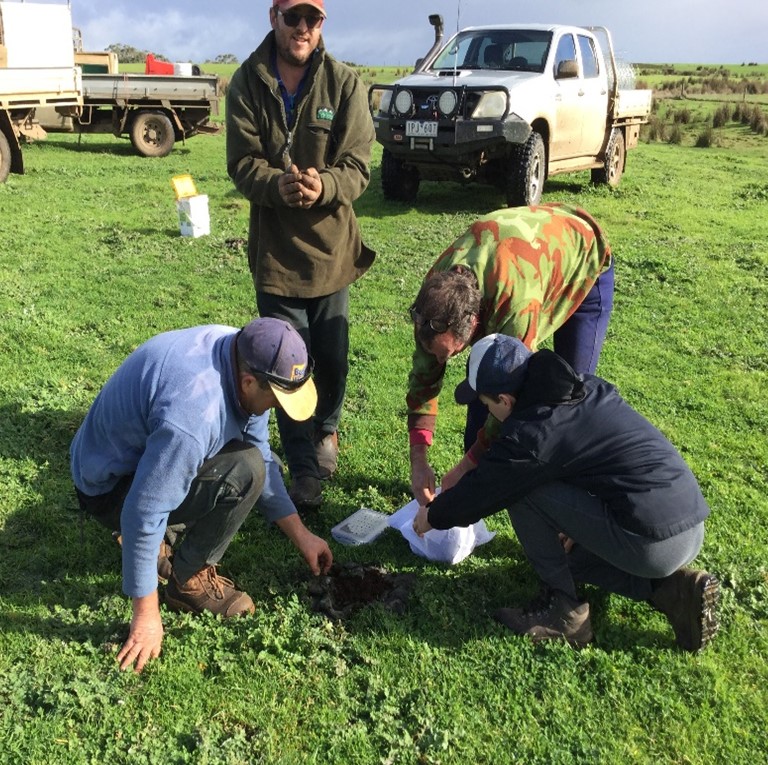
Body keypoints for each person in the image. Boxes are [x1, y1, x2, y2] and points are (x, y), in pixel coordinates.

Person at [413, 334, 719, 652]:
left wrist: (432, 516)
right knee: (569, 555)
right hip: (689, 525)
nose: (489, 413)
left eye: (488, 405)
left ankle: (564, 611)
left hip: (651, 541)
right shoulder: (581, 386)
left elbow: (485, 490)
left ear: (505, 400)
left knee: (522, 491)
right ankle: (674, 590)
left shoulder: (532, 435)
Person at [71, 318, 334, 673]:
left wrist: (302, 537)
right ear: (249, 382)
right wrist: (146, 616)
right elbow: (142, 511)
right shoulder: (193, 416)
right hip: (109, 490)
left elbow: (260, 450)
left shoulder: (238, 349)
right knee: (245, 469)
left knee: (253, 460)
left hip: (128, 460)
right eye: (276, 399)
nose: (276, 409)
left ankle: (162, 543)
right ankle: (187, 579)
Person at [226, 0, 375, 509]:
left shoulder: (344, 83)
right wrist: (277, 186)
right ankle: (304, 466)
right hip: (276, 256)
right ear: (274, 18)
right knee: (285, 364)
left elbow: (358, 165)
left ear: (322, 24)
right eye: (294, 17)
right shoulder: (247, 81)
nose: (303, 28)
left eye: (313, 19)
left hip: (333, 253)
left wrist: (325, 183)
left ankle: (327, 429)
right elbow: (241, 163)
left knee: (330, 356)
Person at [407, 203, 615, 508]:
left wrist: (466, 467)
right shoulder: (432, 301)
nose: (440, 362)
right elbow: (424, 377)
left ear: (474, 325)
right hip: (519, 253)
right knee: (483, 398)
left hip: (582, 256)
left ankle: (568, 500)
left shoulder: (516, 308)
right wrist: (419, 460)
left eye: (448, 355)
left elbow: (508, 393)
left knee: (567, 397)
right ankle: (483, 482)